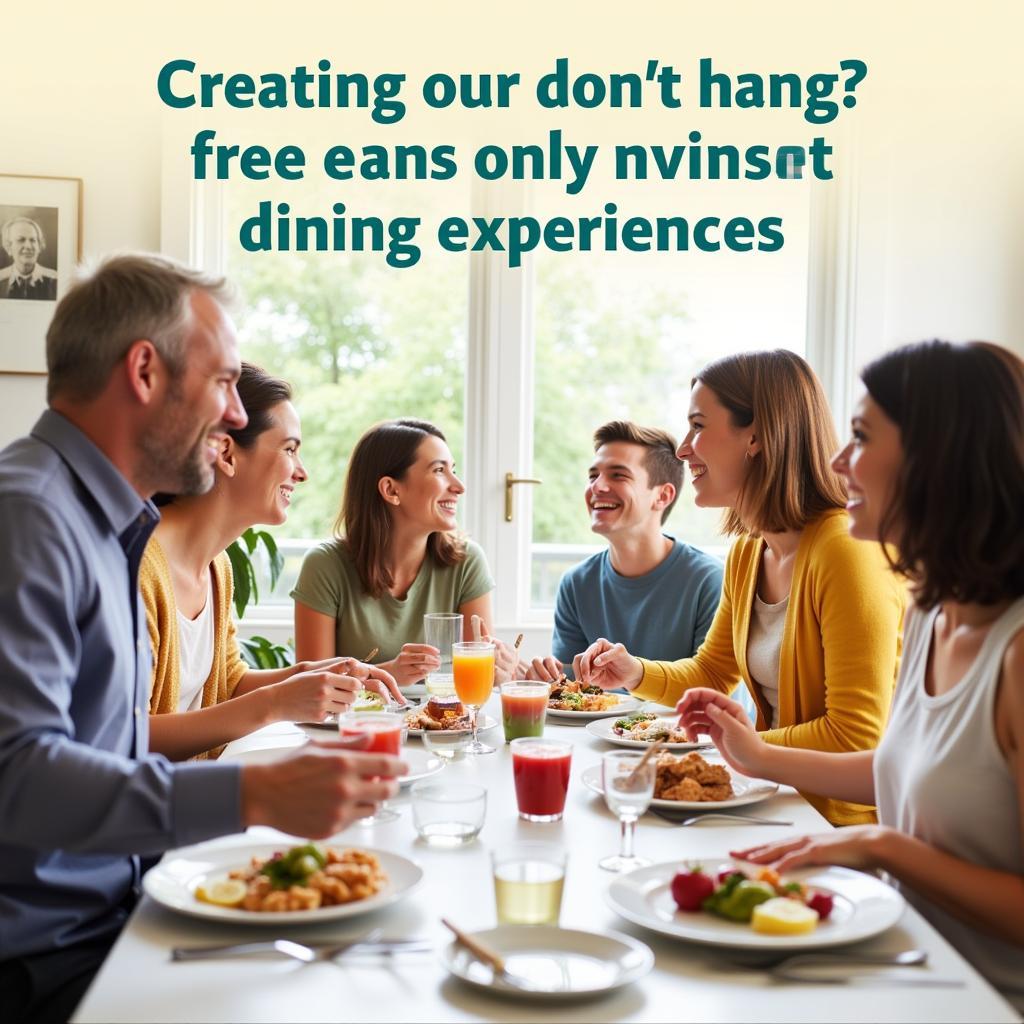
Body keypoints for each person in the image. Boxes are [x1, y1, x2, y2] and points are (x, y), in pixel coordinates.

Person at [0, 254, 404, 1024]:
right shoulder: (31, 518)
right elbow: (17, 775)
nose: (234, 416)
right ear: (145, 371)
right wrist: (255, 792)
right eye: (222, 382)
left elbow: (110, 742)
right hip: (47, 959)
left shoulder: (102, 523)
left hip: (118, 908)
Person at [677, 341, 1024, 1011]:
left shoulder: (1015, 656)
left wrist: (879, 844)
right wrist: (755, 754)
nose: (837, 461)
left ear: (939, 461)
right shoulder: (933, 609)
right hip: (905, 954)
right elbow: (903, 765)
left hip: (982, 999)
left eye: (861, 437)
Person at [575, 350, 904, 825]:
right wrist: (633, 672)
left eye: (698, 426)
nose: (684, 448)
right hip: (774, 797)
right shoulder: (751, 553)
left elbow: (855, 736)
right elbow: (712, 672)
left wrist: (732, 744)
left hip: (839, 819)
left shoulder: (844, 552)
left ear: (757, 436)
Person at [142, 362, 404, 762]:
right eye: (289, 449)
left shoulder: (218, 567)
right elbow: (123, 734)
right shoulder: (139, 568)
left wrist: (310, 675)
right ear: (227, 453)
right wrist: (275, 703)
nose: (302, 473)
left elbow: (228, 681)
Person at [292, 418, 518, 686]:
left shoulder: (466, 562)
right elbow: (310, 689)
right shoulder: (325, 566)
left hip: (445, 725)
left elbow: (474, 681)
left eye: (453, 470)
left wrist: (499, 673)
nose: (458, 486)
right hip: (357, 727)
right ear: (391, 489)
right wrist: (390, 674)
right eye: (438, 470)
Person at [523, 419, 723, 681]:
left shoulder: (709, 582)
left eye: (618, 475)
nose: (597, 487)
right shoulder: (576, 584)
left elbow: (713, 689)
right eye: (593, 475)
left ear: (662, 496)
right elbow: (573, 692)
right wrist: (547, 683)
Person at [0, 216, 58, 300]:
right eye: (21, 240)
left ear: (39, 246)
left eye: (33, 240)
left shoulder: (55, 280)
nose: (28, 246)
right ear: (8, 247)